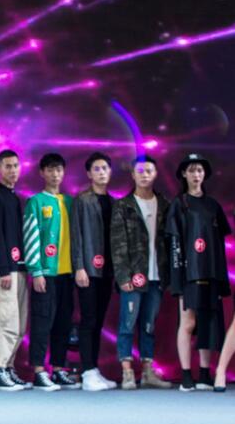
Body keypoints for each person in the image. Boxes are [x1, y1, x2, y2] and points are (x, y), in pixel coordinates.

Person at [166, 153, 230, 392]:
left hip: (211, 272)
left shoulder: (213, 205)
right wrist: (177, 278)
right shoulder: (179, 204)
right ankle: (186, 374)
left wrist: (222, 279)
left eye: (200, 170)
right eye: (192, 170)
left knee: (208, 322)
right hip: (188, 273)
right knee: (188, 322)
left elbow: (220, 244)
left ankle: (204, 373)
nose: (196, 174)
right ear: (184, 174)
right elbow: (174, 243)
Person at [110, 156, 173, 390]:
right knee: (127, 323)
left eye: (149, 171)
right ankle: (127, 372)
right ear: (133, 175)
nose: (145, 175)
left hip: (157, 276)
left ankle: (147, 371)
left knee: (149, 325)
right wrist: (123, 276)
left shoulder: (165, 204)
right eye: (140, 171)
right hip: (133, 277)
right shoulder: (123, 205)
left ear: (155, 174)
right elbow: (117, 244)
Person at [24, 153, 78, 390]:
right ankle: (38, 370)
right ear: (42, 173)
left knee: (63, 322)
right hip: (46, 273)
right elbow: (30, 237)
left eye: (59, 170)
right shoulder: (36, 202)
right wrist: (36, 271)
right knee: (42, 321)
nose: (55, 174)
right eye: (50, 170)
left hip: (67, 273)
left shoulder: (70, 202)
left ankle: (57, 368)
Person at [70, 152, 118, 392]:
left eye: (105, 168)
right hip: (88, 269)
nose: (101, 172)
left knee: (99, 320)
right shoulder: (82, 200)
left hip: (108, 271)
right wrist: (79, 266)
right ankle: (87, 370)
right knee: (88, 320)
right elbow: (76, 235)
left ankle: (94, 369)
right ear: (89, 174)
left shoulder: (115, 202)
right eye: (96, 169)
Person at [0, 150, 31, 391]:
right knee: (4, 321)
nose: (12, 170)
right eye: (7, 166)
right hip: (3, 271)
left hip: (19, 268)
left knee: (19, 322)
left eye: (15, 166)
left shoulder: (14, 198)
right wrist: (3, 269)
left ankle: (9, 366)